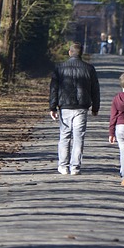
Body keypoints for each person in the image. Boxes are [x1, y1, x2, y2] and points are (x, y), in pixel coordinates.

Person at [49, 42, 100, 174]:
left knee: (64, 135)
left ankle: (63, 166)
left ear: (69, 52)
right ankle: (75, 167)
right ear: (81, 54)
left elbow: (54, 89)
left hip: (65, 106)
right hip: (82, 107)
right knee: (79, 137)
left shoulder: (60, 68)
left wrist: (52, 107)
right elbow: (95, 89)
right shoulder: (89, 68)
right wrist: (95, 106)